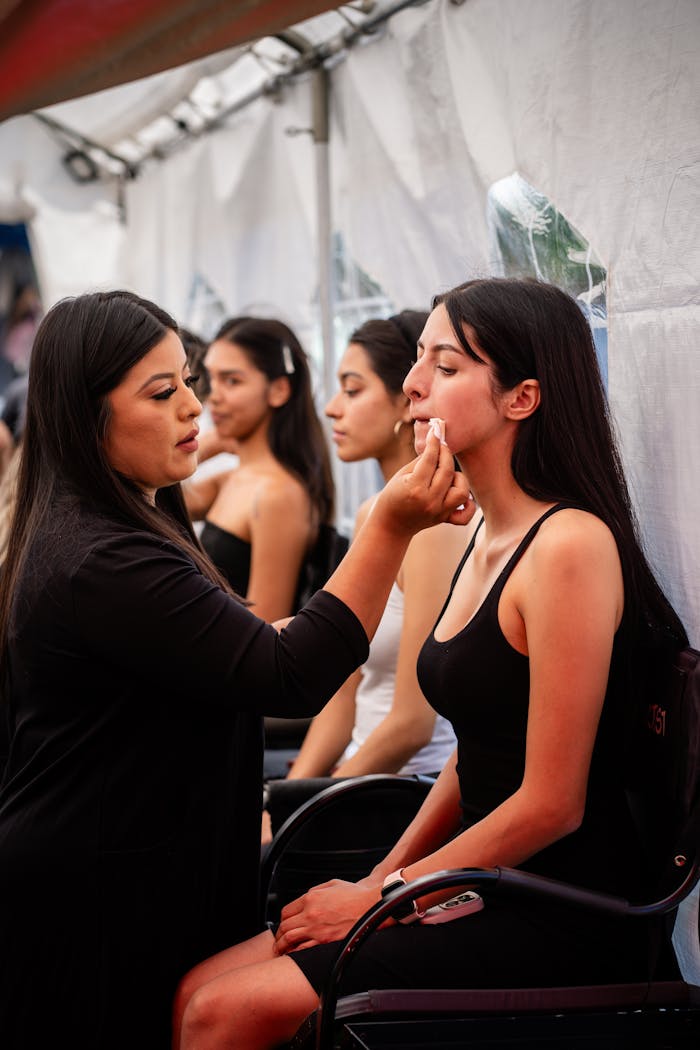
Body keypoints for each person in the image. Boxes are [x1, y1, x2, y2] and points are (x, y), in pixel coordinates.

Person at [173, 277, 688, 1050]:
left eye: (444, 368)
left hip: (558, 907)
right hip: (472, 884)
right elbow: (475, 755)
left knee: (222, 1013)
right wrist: (383, 881)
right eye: (418, 361)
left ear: (522, 398)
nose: (413, 385)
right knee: (193, 988)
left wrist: (383, 893)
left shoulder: (570, 545)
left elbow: (553, 803)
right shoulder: (484, 533)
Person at [0, 289, 469, 1050]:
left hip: (126, 876)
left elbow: (242, 647)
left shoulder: (116, 526)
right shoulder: (102, 555)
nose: (196, 408)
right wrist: (387, 522)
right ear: (87, 416)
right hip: (97, 896)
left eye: (190, 381)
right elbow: (284, 671)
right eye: (165, 391)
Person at [262, 312, 469, 837]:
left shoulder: (436, 525)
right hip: (353, 779)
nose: (333, 407)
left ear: (407, 402)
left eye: (353, 390)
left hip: (399, 797)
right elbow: (342, 688)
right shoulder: (376, 514)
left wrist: (306, 811)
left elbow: (412, 725)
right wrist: (288, 797)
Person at [183, 316, 335, 623]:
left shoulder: (278, 494)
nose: (214, 397)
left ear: (278, 390)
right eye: (212, 380)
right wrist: (209, 444)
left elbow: (264, 631)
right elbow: (153, 497)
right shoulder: (236, 479)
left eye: (233, 381)